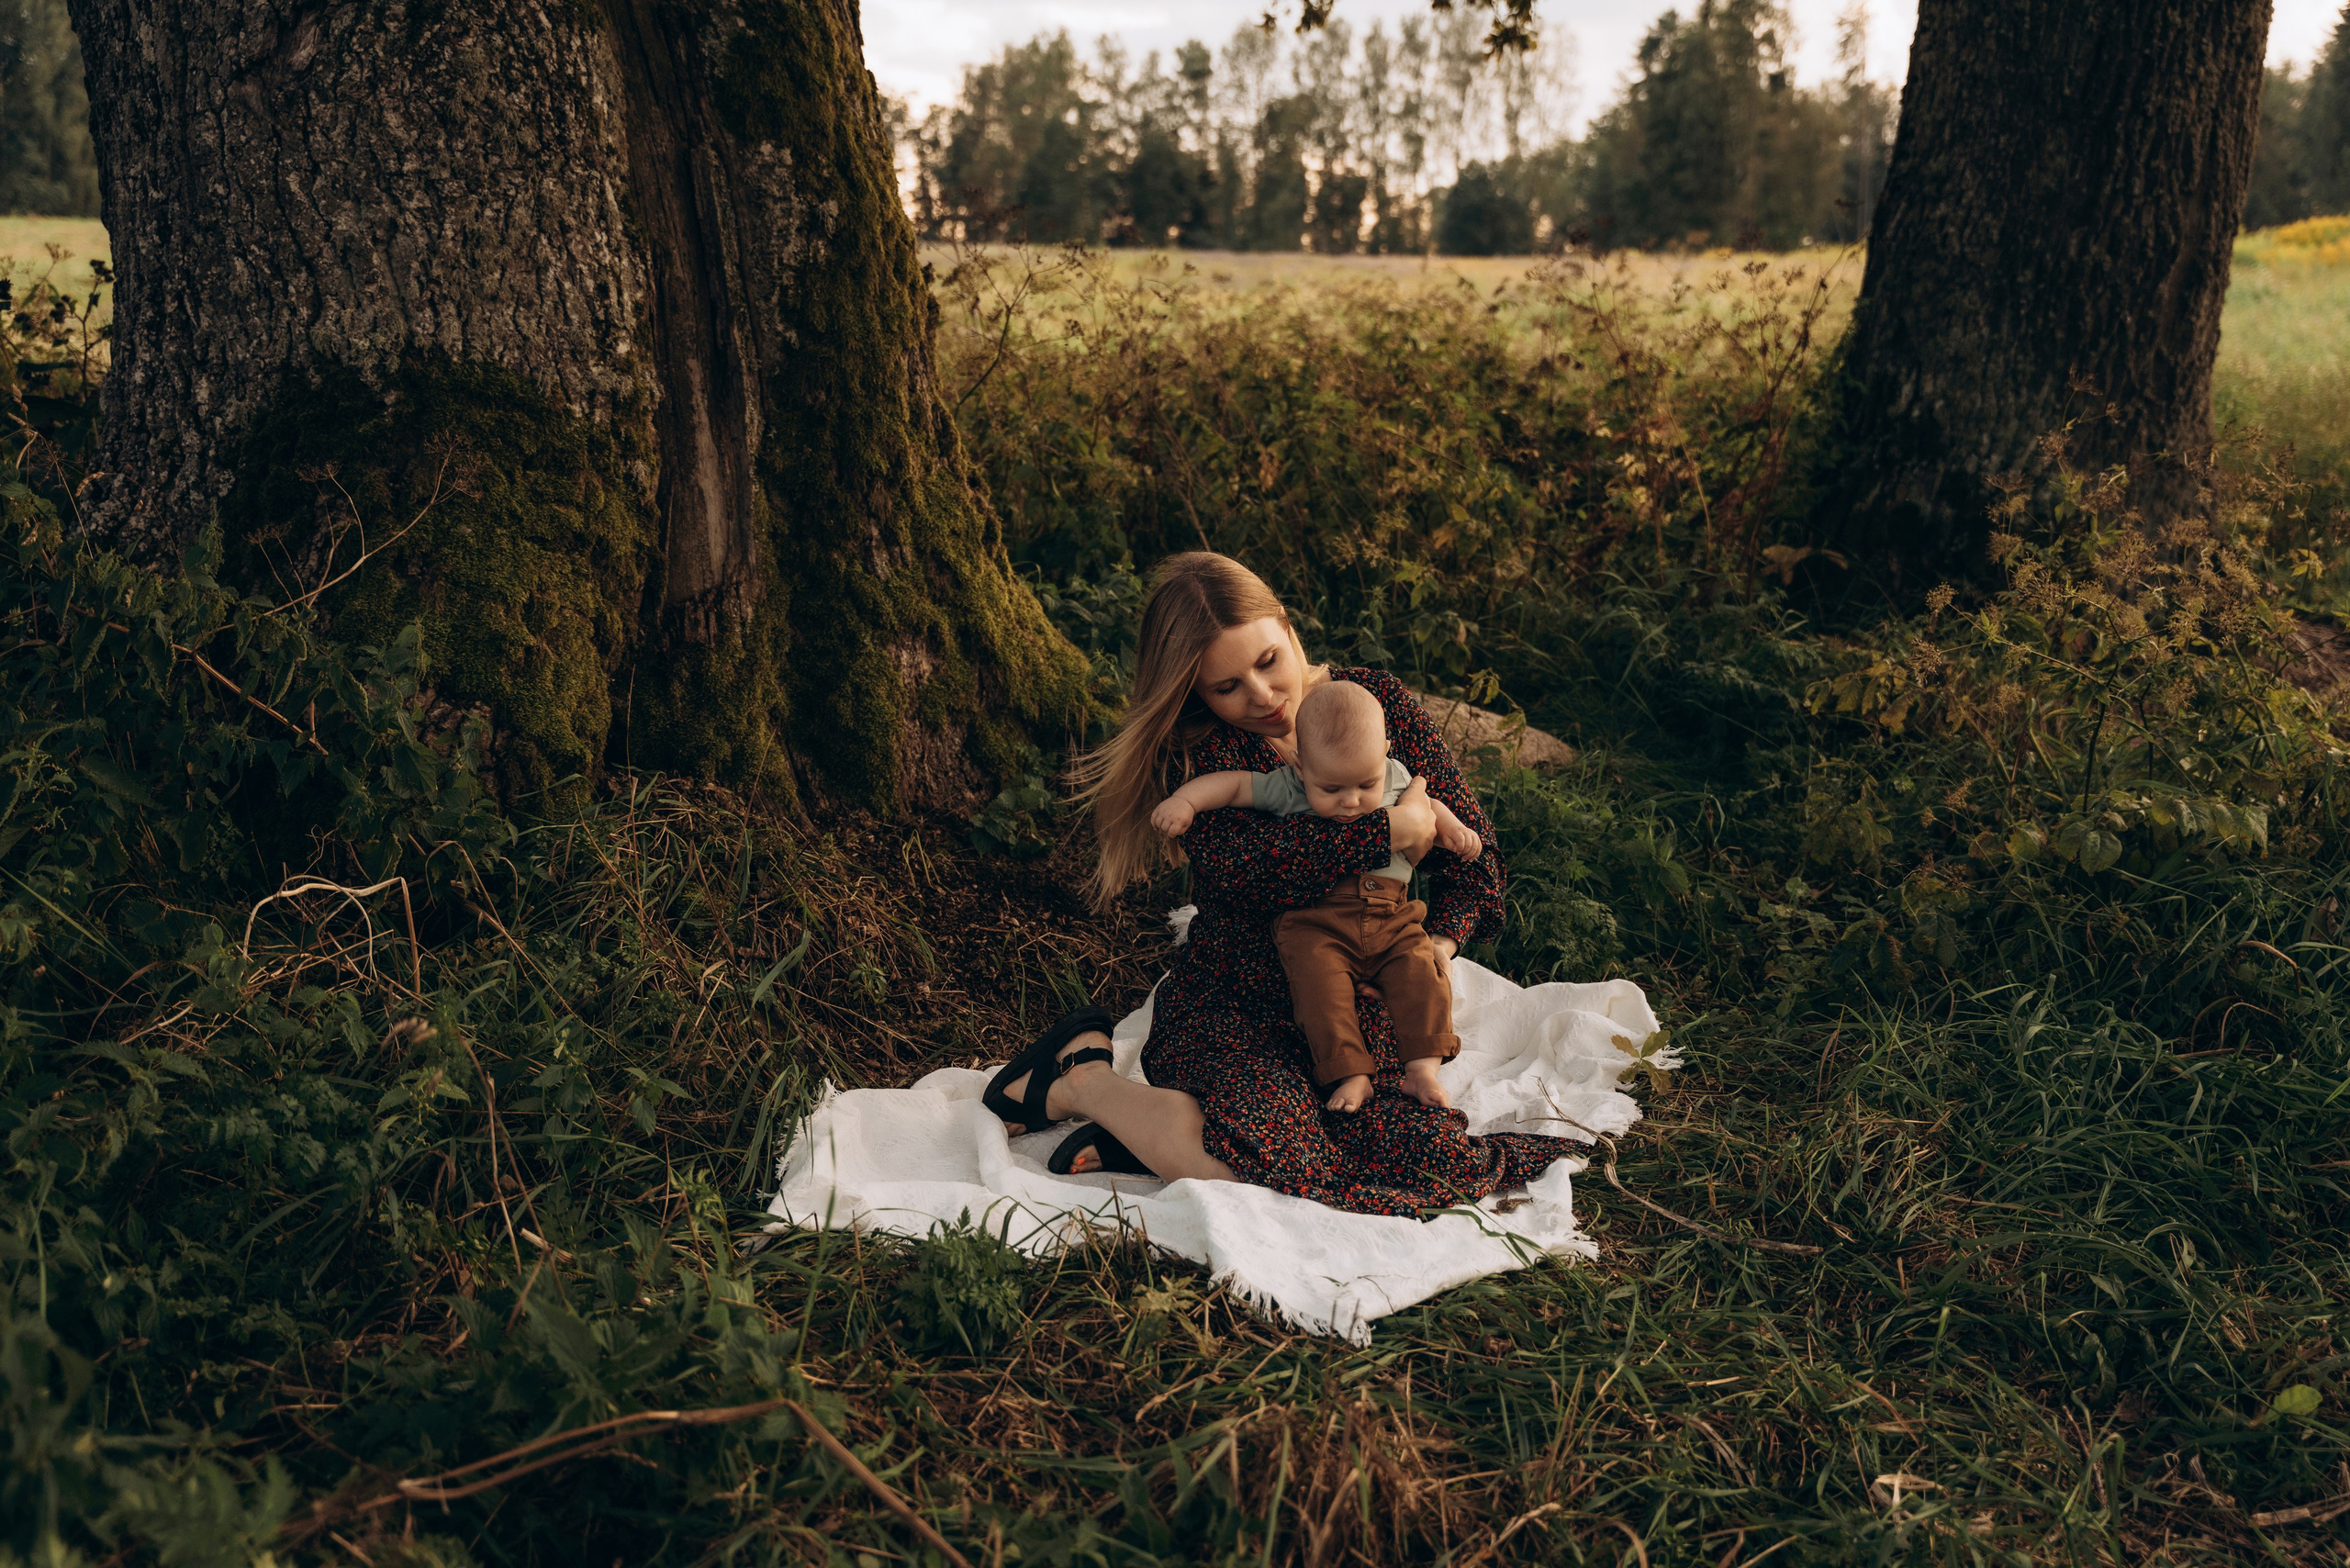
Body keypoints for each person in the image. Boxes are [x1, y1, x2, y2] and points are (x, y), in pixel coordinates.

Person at [982, 552, 1576, 1215]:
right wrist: (1387, 832)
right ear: (1196, 695)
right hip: (1237, 1003)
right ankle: (1082, 1079)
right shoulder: (1207, 757)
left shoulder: (1376, 704)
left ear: (1288, 630)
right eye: (1226, 686)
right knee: (1279, 1174)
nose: (1261, 697)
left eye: (1267, 662)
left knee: (1431, 1167)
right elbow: (1247, 874)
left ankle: (1163, 1134)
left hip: (1354, 1015)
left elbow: (1477, 861)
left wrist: (1440, 945)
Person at [1148, 678, 1483, 1115]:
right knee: (1319, 991)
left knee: (1422, 972)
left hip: (1391, 913)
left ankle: (1422, 1068)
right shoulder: (1288, 787)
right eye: (1331, 790)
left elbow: (1430, 807)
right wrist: (1186, 801)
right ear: (1302, 766)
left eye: (1365, 785)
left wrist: (1451, 827)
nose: (1351, 802)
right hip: (1315, 922)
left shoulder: (1397, 775)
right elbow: (1232, 787)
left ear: (1384, 751)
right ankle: (1351, 1072)